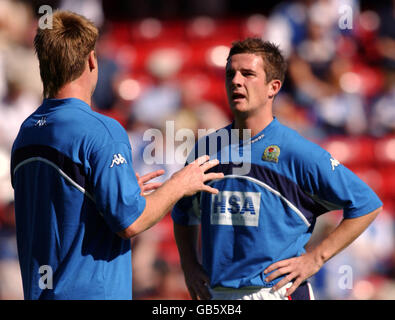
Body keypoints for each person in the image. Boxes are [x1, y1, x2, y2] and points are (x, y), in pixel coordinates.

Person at [10, 10, 223, 300]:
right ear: (91, 60)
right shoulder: (102, 130)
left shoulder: (27, 131)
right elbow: (130, 222)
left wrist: (112, 191)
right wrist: (180, 184)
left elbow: (63, 206)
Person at [172, 38, 383, 300]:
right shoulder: (206, 148)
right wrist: (189, 265)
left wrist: (315, 258)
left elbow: (366, 204)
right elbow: (183, 213)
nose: (236, 81)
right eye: (231, 74)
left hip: (277, 292)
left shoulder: (298, 151)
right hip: (218, 294)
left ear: (273, 87)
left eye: (248, 74)